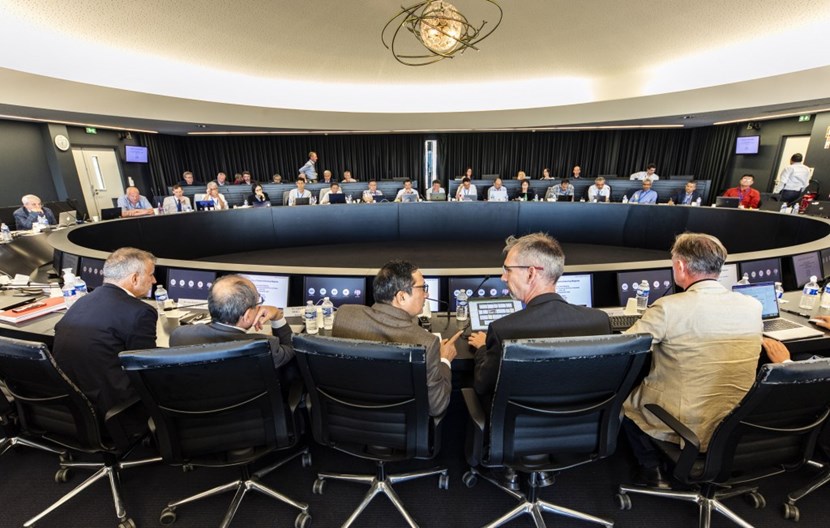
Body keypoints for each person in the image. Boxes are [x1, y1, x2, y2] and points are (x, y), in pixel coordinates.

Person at [622, 233, 764, 487]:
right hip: (737, 420)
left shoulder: (668, 307)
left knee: (627, 403)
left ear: (680, 266)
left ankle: (650, 469)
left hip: (687, 421)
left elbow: (624, 347)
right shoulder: (752, 306)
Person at [468, 233, 611, 400]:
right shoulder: (600, 321)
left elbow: (483, 385)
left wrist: (483, 349)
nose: (503, 277)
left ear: (531, 274)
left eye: (507, 270)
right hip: (585, 421)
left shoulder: (503, 330)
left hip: (518, 424)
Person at [332, 260, 462, 416]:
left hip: (347, 418)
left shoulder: (344, 315)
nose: (427, 294)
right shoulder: (426, 342)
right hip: (400, 428)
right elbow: (437, 406)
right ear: (401, 297)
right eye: (423, 288)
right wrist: (444, 360)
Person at [52, 247, 158, 434]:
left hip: (71, 404)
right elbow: (146, 367)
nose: (154, 281)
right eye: (151, 275)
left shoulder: (81, 301)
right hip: (116, 408)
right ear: (134, 278)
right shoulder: (140, 312)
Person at [169, 275, 294, 370]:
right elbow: (291, 348)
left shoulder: (179, 336)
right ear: (247, 316)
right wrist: (277, 315)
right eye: (258, 302)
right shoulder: (264, 346)